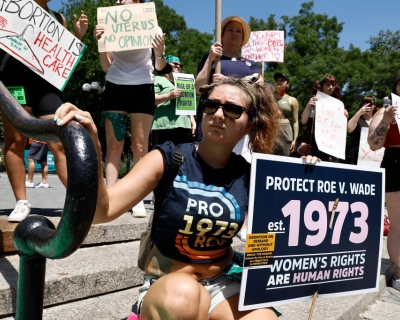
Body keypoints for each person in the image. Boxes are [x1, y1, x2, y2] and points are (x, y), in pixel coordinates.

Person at [55, 77, 285, 319]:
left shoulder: (252, 175)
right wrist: (93, 147)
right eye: (210, 105)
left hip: (223, 283)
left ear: (250, 124)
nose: (218, 115)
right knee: (184, 296)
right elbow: (102, 210)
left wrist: (311, 175)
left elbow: (275, 238)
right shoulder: (167, 158)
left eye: (232, 110)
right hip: (169, 285)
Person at [1, 1, 88, 222]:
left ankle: (80, 202)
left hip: (46, 84)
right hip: (14, 78)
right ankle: (22, 202)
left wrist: (78, 36)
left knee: (60, 139)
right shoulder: (11, 5)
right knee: (15, 141)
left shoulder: (59, 19)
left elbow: (62, 58)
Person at [94, 0, 168, 217]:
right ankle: (109, 195)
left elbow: (160, 67)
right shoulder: (108, 24)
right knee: (114, 145)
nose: (117, 1)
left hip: (143, 86)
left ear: (136, 1)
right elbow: (106, 67)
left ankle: (137, 199)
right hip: (115, 86)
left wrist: (160, 51)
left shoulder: (152, 24)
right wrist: (101, 43)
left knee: (139, 146)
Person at [195, 16, 262, 141]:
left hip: (238, 119)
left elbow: (259, 87)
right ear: (222, 35)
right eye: (230, 30)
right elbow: (199, 88)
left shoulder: (250, 64)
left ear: (242, 38)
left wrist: (227, 82)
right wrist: (210, 59)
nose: (234, 34)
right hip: (213, 116)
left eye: (238, 31)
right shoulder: (211, 59)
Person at [368, 74, 400, 291]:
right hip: (397, 163)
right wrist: (387, 121)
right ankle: (399, 273)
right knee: (398, 225)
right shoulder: (386, 110)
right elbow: (373, 144)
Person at [300, 74, 348, 161]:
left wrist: (344, 117)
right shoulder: (313, 99)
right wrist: (308, 106)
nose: (331, 87)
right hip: (314, 143)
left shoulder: (338, 105)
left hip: (331, 145)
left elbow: (339, 129)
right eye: (327, 84)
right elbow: (303, 121)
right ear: (321, 86)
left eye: (333, 85)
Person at [151, 55, 196, 147]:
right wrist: (168, 96)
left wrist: (192, 120)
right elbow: (150, 100)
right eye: (175, 64)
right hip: (164, 126)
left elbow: (188, 102)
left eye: (180, 65)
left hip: (183, 126)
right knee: (161, 156)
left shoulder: (185, 82)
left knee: (180, 157)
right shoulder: (157, 79)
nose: (178, 66)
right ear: (166, 65)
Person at [346, 94, 378, 164]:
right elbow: (349, 128)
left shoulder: (377, 121)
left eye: (370, 103)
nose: (367, 105)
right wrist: (359, 113)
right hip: (355, 157)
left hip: (372, 158)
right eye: (365, 102)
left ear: (374, 106)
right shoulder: (358, 119)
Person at [273, 72, 299, 156]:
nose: (279, 82)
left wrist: (295, 140)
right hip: (271, 130)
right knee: (268, 159)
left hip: (285, 131)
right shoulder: (268, 97)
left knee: (283, 159)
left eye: (282, 80)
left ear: (287, 84)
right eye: (277, 80)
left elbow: (295, 121)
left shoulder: (292, 100)